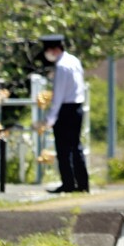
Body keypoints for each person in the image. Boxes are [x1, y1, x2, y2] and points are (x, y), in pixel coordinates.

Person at [40, 34, 90, 193]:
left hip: (65, 109)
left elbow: (58, 95)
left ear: (54, 49)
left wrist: (50, 118)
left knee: (63, 149)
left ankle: (68, 183)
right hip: (77, 107)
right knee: (76, 146)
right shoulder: (74, 61)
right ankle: (83, 184)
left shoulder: (61, 66)